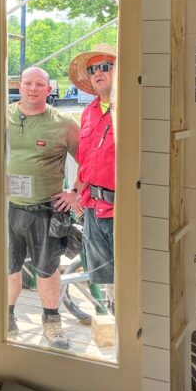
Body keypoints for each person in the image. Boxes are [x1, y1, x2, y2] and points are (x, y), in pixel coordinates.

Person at [7, 66, 80, 350]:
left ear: (49, 90)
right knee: (8, 267)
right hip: (8, 207)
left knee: (48, 270)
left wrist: (75, 192)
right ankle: (7, 318)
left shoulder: (63, 123)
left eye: (40, 84)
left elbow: (90, 159)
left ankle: (52, 322)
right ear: (20, 86)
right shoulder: (4, 117)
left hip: (45, 210)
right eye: (28, 83)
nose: (33, 88)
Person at [66, 46, 116, 309]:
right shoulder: (88, 113)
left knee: (132, 274)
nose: (98, 73)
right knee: (106, 278)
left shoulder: (132, 110)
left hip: (123, 209)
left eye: (105, 66)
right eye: (92, 69)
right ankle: (112, 315)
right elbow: (85, 162)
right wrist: (75, 193)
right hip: (94, 210)